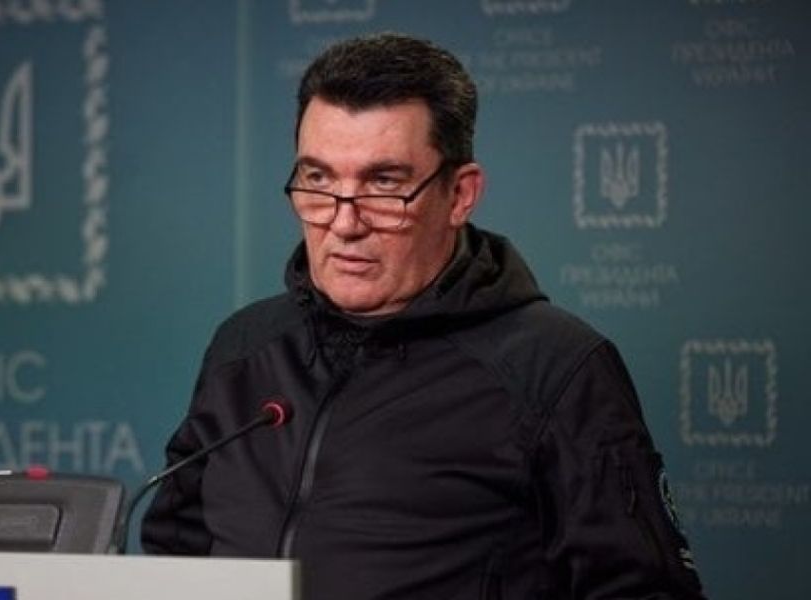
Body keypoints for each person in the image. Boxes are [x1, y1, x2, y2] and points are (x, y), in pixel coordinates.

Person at [142, 33, 704, 600]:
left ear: (460, 195)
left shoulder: (557, 369)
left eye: (384, 184)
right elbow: (175, 555)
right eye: (318, 180)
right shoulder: (243, 348)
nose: (344, 223)